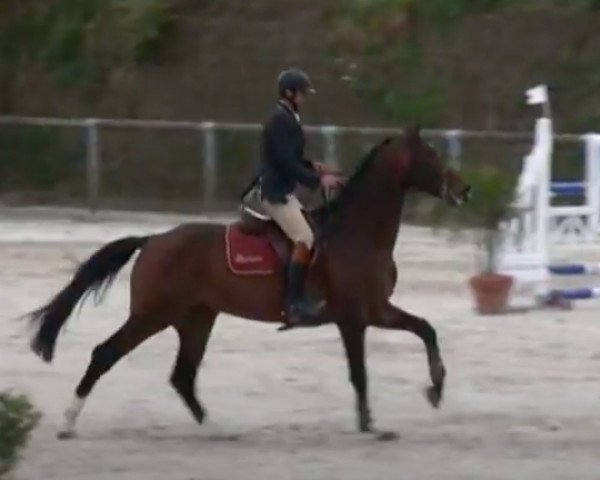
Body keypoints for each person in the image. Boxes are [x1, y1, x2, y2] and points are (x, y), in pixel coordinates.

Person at [257, 68, 341, 327]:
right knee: (305, 238)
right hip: (275, 194)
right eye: (302, 94)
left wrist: (313, 165)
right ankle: (294, 302)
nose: (304, 98)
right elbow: (285, 163)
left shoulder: (287, 117)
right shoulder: (281, 120)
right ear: (289, 93)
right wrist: (318, 180)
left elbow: (292, 158)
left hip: (284, 189)